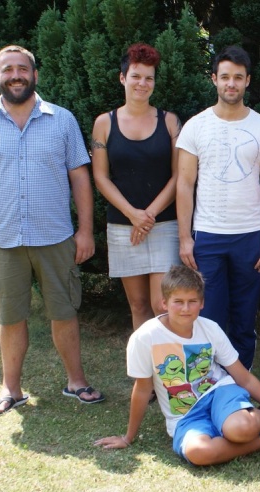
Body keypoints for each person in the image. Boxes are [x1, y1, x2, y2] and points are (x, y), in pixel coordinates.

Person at [0, 45, 104, 416]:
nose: (15, 75)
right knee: (9, 316)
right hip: (3, 240)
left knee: (64, 311)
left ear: (35, 75)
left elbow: (80, 178)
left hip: (55, 237)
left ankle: (76, 381)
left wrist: (85, 231)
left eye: (22, 69)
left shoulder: (62, 120)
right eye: (8, 69)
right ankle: (11, 389)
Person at [95, 265, 260, 465]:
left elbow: (243, 378)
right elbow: (143, 389)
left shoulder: (210, 328)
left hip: (219, 393)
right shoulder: (145, 337)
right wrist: (128, 437)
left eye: (192, 301)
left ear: (202, 303)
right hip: (185, 416)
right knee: (198, 453)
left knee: (239, 430)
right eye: (178, 302)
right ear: (164, 303)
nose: (185, 308)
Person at [176, 46, 260, 371]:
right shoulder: (195, 126)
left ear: (247, 80)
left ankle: (240, 384)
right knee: (207, 315)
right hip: (207, 235)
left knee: (244, 317)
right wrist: (185, 238)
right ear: (214, 79)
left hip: (250, 235)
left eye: (238, 77)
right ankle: (204, 385)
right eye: (225, 77)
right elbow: (185, 183)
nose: (231, 83)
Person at [91, 43, 182, 331]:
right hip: (123, 226)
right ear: (123, 78)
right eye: (136, 76)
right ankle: (145, 359)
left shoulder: (170, 122)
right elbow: (101, 177)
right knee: (138, 305)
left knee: (162, 303)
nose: (142, 83)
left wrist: (147, 216)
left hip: (164, 224)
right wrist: (133, 215)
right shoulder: (104, 123)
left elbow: (179, 176)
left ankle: (169, 359)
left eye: (149, 78)